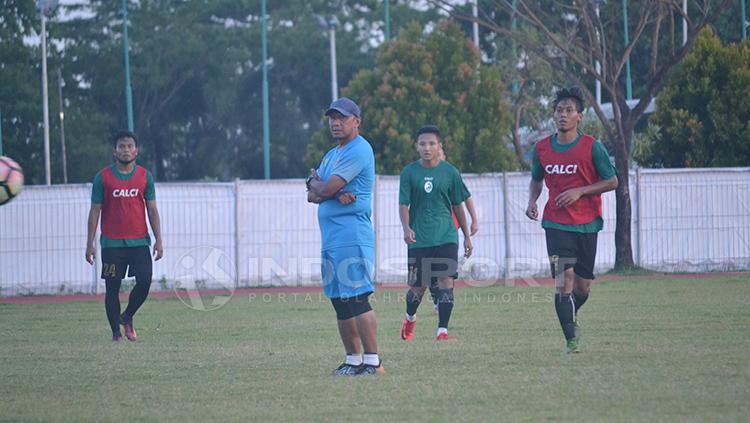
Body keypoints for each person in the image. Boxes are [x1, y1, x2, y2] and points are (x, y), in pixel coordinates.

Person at [525, 86, 618, 353]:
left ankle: (572, 312)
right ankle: (571, 340)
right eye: (559, 110)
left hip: (587, 224)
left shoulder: (592, 147)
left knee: (582, 287)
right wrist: (532, 201)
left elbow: (612, 181)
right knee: (563, 281)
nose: (563, 115)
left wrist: (581, 191)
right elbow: (536, 179)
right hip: (555, 224)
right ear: (553, 115)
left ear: (580, 116)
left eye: (569, 110)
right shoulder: (541, 148)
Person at [306, 97, 384, 376]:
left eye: (342, 118)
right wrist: (328, 189)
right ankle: (353, 360)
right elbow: (312, 193)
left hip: (352, 234)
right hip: (331, 238)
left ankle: (373, 362)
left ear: (357, 121)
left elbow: (322, 190)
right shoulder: (331, 154)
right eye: (332, 118)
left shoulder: (359, 150)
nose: (335, 123)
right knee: (340, 300)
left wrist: (325, 189)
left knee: (357, 297)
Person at [86, 131, 163, 343]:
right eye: (121, 146)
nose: (126, 150)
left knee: (145, 280)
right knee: (112, 288)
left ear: (136, 151)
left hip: (140, 242)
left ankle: (127, 316)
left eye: (130, 146)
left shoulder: (145, 177)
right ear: (114, 151)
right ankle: (116, 334)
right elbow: (94, 212)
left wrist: (159, 239)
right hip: (111, 245)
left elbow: (152, 210)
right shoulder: (102, 178)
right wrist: (90, 244)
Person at [399, 125, 473, 341]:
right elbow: (403, 204)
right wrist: (406, 228)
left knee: (446, 281)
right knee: (418, 287)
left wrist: (467, 235)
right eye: (422, 144)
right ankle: (410, 317)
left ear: (439, 146)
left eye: (431, 143)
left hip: (446, 237)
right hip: (419, 239)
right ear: (417, 146)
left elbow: (459, 205)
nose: (427, 148)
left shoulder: (450, 172)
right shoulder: (409, 172)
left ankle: (442, 331)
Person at [429, 145, 478, 312]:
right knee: (429, 268)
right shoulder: (423, 175)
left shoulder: (451, 174)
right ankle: (437, 299)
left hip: (449, 229)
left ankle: (443, 302)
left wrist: (474, 220)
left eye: (440, 154)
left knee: (446, 270)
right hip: (428, 229)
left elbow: (466, 197)